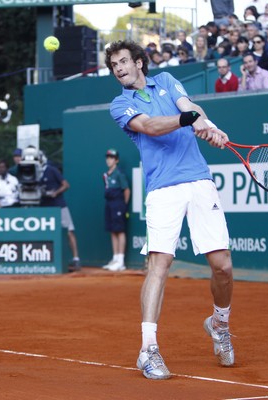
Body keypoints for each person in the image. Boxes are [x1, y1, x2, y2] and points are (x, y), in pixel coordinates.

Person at [105, 40, 235, 380]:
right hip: (162, 189)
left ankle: (219, 324)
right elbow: (151, 126)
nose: (118, 68)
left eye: (122, 61)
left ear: (138, 62)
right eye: (113, 65)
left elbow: (190, 107)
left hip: (199, 181)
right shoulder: (121, 104)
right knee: (158, 265)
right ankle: (148, 349)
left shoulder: (165, 80)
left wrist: (209, 126)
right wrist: (189, 119)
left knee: (222, 266)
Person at [39, 151, 81, 271]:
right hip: (45, 207)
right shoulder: (34, 173)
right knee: (46, 234)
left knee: (69, 231)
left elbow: (66, 185)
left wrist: (55, 193)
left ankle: (76, 259)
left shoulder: (52, 170)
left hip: (59, 205)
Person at [101, 148, 130, 272]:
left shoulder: (119, 173)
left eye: (111, 158)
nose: (109, 160)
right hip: (109, 204)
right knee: (113, 231)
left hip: (119, 205)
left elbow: (127, 190)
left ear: (116, 160)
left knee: (120, 231)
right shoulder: (106, 175)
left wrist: (124, 206)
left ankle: (121, 261)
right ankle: (115, 258)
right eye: (107, 157)